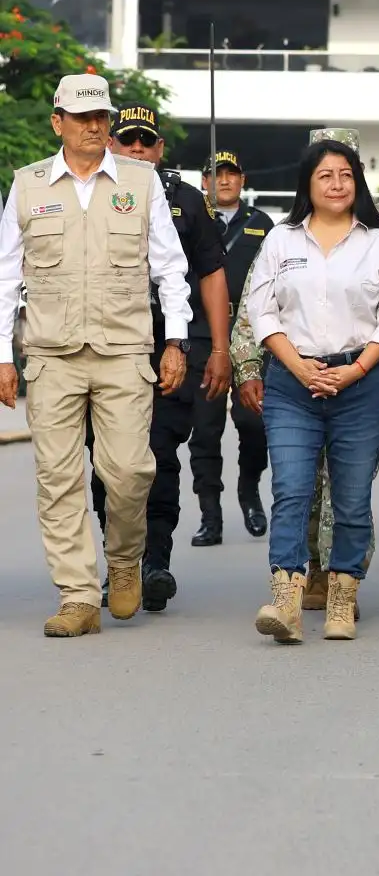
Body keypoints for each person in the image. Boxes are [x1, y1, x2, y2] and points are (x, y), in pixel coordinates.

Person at [0, 74, 191, 637]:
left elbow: (171, 269)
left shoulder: (141, 182)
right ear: (58, 122)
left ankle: (125, 558)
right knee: (56, 478)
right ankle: (79, 596)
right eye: (81, 118)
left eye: (100, 117)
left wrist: (175, 341)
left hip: (125, 350)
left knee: (131, 470)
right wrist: (2, 358)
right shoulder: (29, 185)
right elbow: (6, 278)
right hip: (52, 354)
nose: (94, 127)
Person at [245, 139, 379, 643]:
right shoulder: (282, 239)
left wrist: (354, 371)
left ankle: (342, 594)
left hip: (359, 385)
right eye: (325, 176)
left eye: (345, 175)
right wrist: (298, 367)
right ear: (307, 185)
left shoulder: (378, 242)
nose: (337, 184)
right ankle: (287, 598)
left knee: (353, 498)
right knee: (290, 489)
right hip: (293, 384)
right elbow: (260, 308)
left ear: (356, 182)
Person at [96, 105, 229, 613]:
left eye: (144, 142)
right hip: (108, 342)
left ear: (159, 150)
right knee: (107, 461)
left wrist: (219, 350)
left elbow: (212, 274)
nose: (135, 150)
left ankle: (153, 562)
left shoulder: (185, 201)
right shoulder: (93, 193)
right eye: (126, 140)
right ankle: (119, 562)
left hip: (175, 344)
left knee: (157, 453)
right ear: (112, 144)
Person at [190, 150, 276, 542]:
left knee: (254, 425)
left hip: (251, 338)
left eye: (231, 174)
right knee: (205, 431)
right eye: (216, 174)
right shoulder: (192, 220)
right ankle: (210, 514)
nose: (224, 181)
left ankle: (248, 488)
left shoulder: (263, 224)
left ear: (242, 180)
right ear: (204, 180)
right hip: (204, 334)